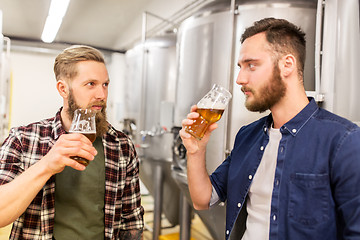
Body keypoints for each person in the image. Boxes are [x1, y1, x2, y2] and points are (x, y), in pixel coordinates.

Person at [180, 18, 360, 240]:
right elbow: (203, 199)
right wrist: (195, 151)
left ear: (287, 65)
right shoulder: (247, 136)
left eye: (251, 65)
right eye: (240, 67)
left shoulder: (343, 140)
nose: (239, 79)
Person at [0, 45, 144, 239]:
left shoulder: (122, 146)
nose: (102, 95)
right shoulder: (23, 139)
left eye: (105, 84)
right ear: (63, 88)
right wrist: (46, 165)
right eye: (91, 84)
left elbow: (132, 222)